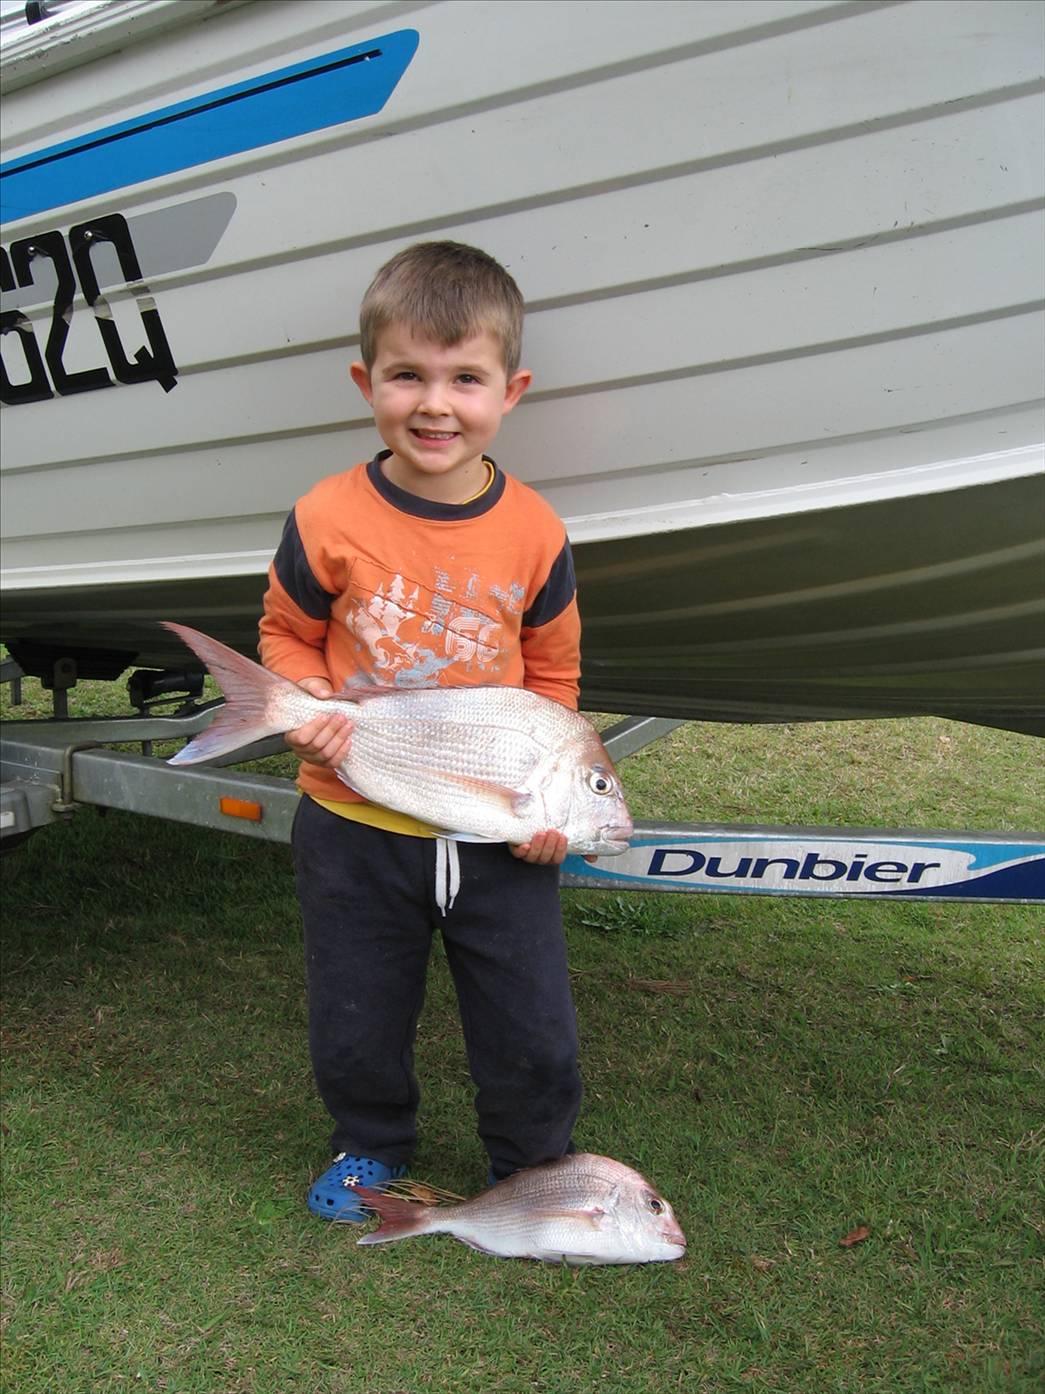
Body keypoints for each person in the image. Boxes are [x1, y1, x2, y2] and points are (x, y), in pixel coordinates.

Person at [258, 241, 585, 1219]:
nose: (434, 403)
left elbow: (552, 678)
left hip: (497, 840)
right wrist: (307, 707)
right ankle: (368, 1146)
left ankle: (531, 1165)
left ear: (510, 390)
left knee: (532, 1025)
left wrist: (553, 807)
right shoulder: (325, 514)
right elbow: (285, 632)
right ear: (367, 382)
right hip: (353, 826)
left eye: (464, 378)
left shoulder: (535, 531)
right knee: (356, 1016)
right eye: (407, 375)